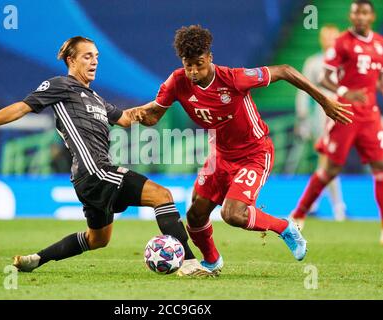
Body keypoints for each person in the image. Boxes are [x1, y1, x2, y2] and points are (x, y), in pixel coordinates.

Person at [0, 36, 212, 276]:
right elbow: (22, 107)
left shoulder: (97, 99)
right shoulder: (61, 86)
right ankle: (189, 263)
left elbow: (126, 119)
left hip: (88, 177)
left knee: (98, 240)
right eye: (87, 56)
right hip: (95, 170)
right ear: (71, 60)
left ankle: (36, 259)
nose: (94, 61)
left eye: (96, 56)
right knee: (162, 196)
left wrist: (166, 99)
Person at [131, 25, 353, 274]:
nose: (193, 71)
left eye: (199, 64)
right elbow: (154, 116)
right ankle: (212, 262)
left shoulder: (234, 78)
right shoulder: (177, 81)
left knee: (233, 214)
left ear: (210, 58)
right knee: (195, 215)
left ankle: (284, 227)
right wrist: (138, 116)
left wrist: (324, 102)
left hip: (255, 153)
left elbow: (285, 70)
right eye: (188, 64)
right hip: (220, 156)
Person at [290, 0, 383, 244]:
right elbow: (325, 76)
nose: (359, 17)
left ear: (371, 16)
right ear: (351, 17)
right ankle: (299, 213)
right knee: (330, 169)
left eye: (364, 13)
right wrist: (346, 91)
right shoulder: (342, 42)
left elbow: (378, 79)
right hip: (344, 113)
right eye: (355, 13)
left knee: (380, 169)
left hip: (371, 116)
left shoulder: (379, 43)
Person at [293, 24, 347, 223]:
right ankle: (338, 208)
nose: (330, 40)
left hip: (349, 118)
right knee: (328, 161)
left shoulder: (346, 61)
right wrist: (303, 117)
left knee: (327, 164)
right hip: (323, 119)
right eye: (326, 37)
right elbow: (302, 90)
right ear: (321, 40)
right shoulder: (314, 62)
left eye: (334, 36)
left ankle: (312, 204)